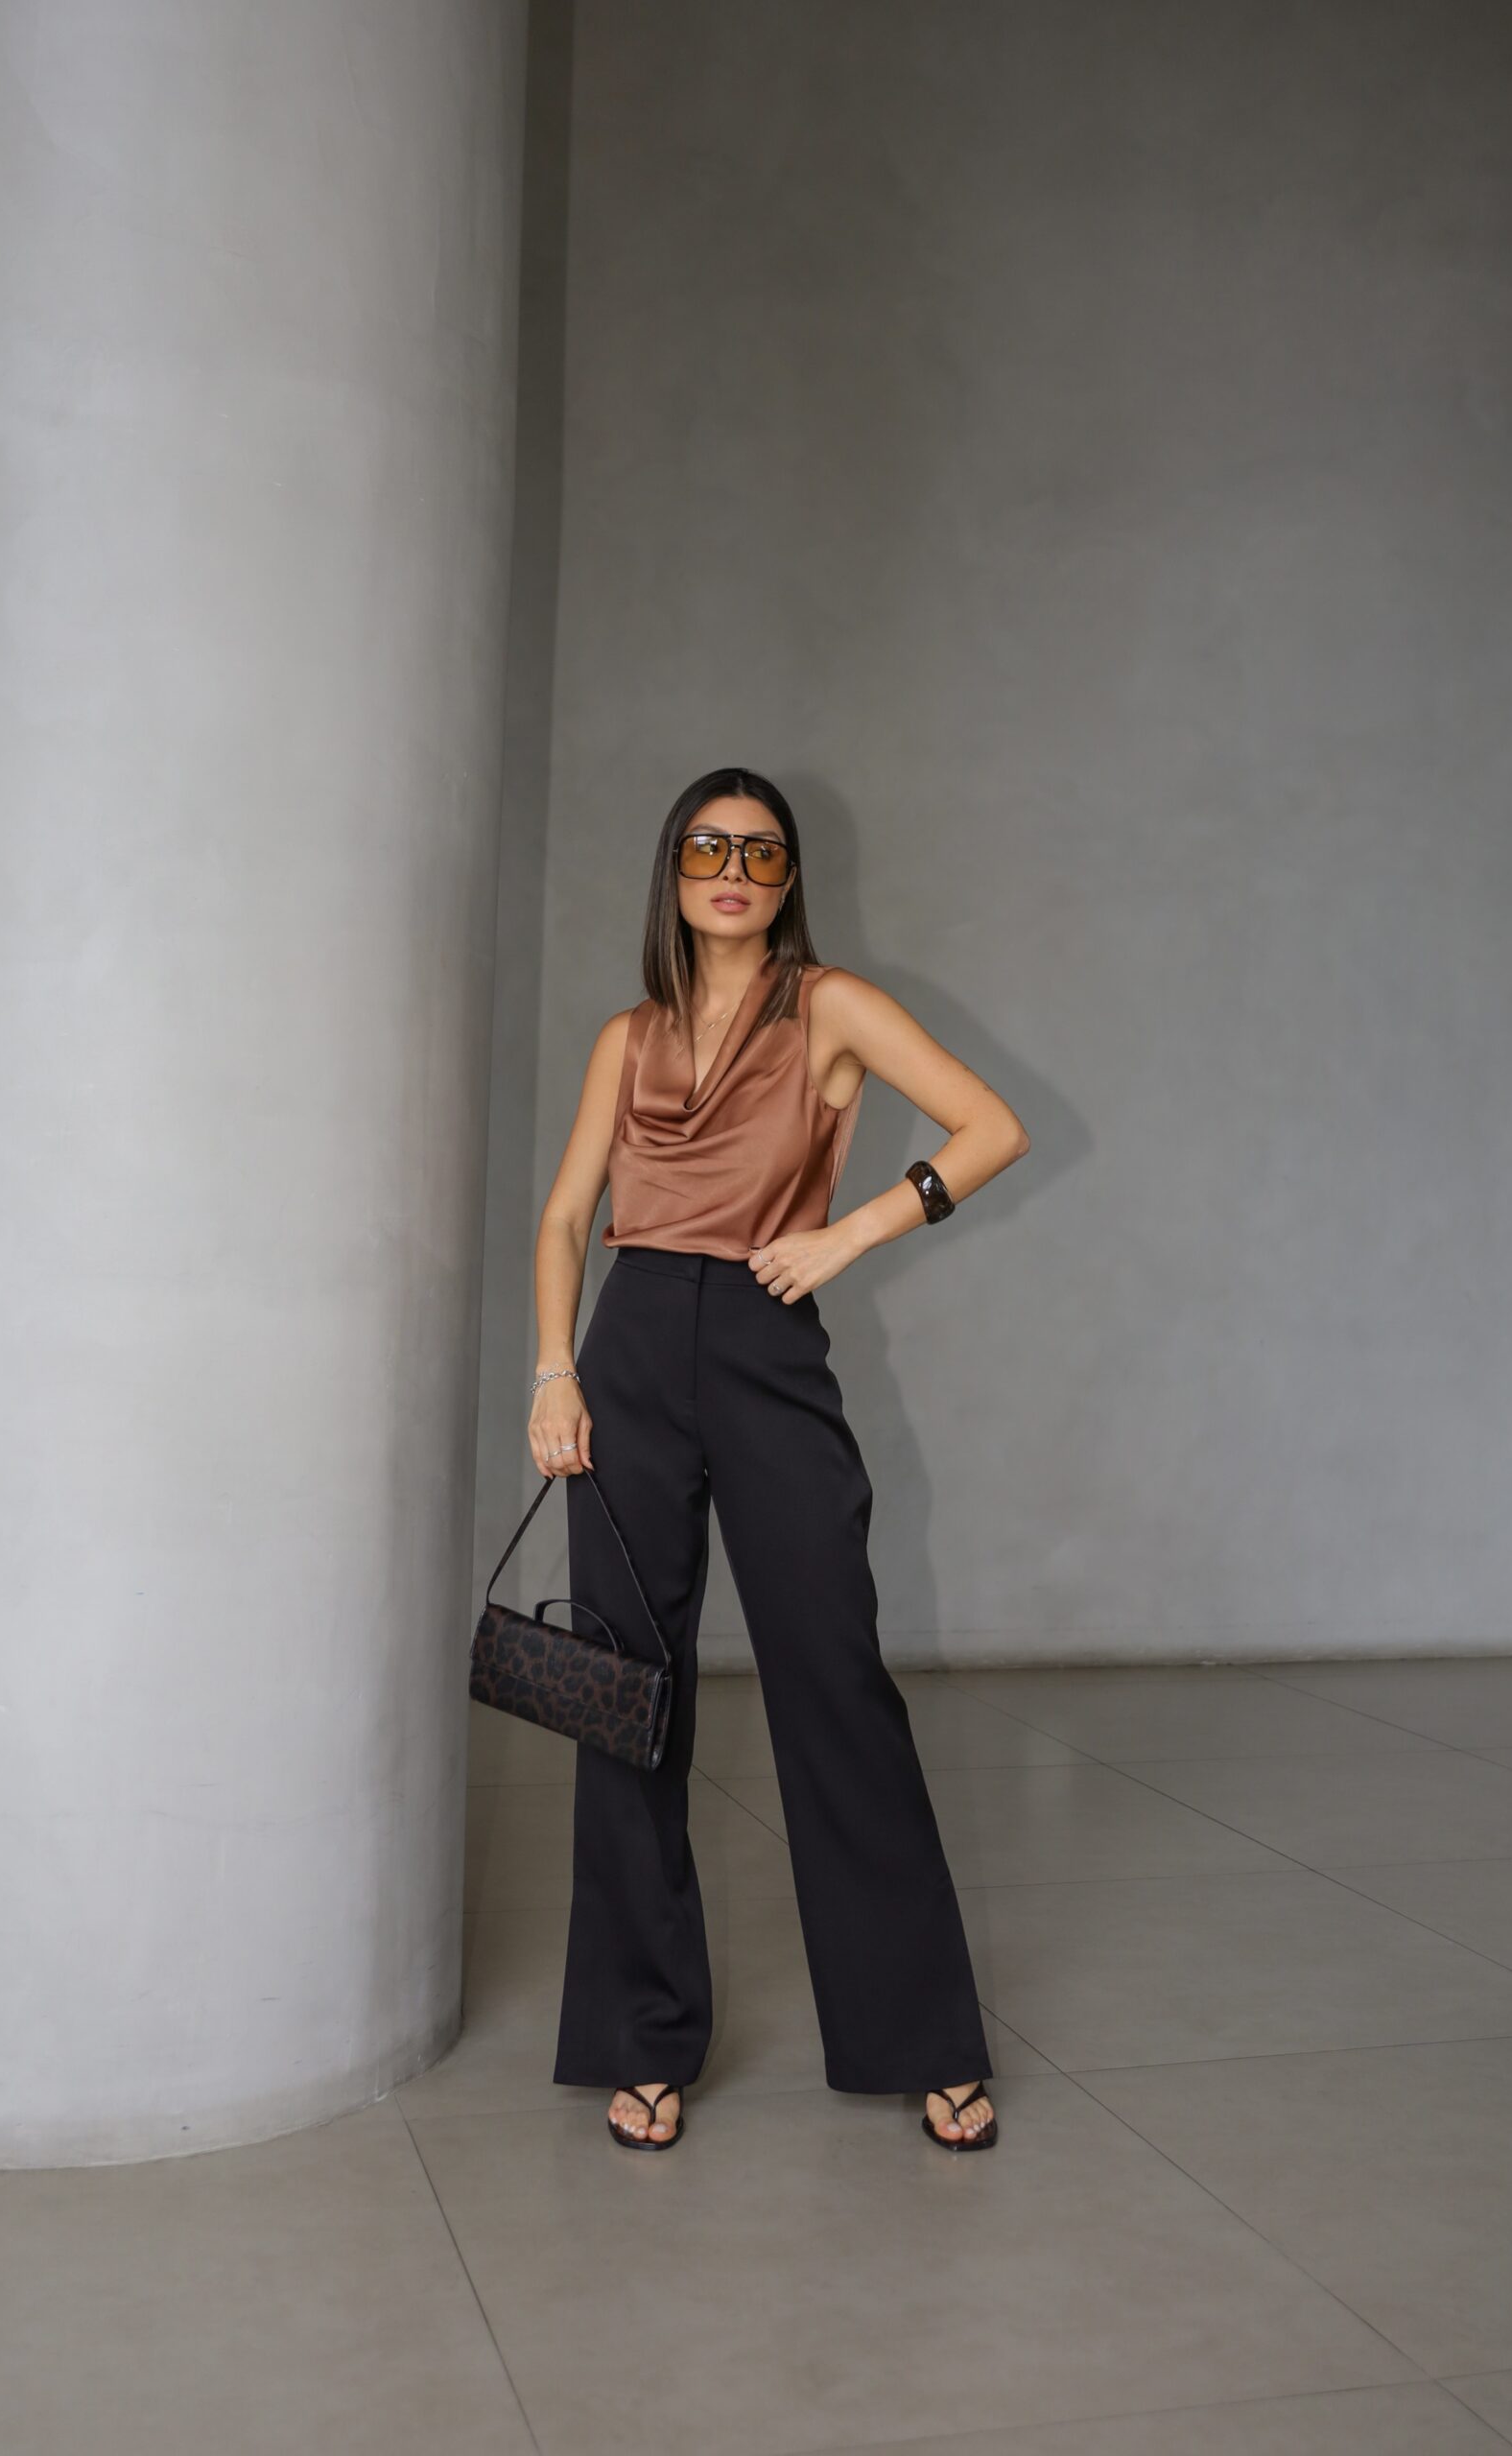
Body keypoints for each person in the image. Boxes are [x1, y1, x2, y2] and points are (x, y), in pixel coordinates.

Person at [527, 766, 1029, 2153]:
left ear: (789, 877)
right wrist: (556, 1368)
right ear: (674, 871)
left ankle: (923, 2035)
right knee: (624, 1695)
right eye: (709, 847)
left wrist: (850, 1233)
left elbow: (992, 1129)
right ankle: (640, 2038)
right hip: (628, 1353)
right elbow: (566, 1217)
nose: (734, 871)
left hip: (764, 1341)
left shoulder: (831, 1007)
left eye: (761, 851)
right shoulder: (627, 1036)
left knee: (835, 1682)